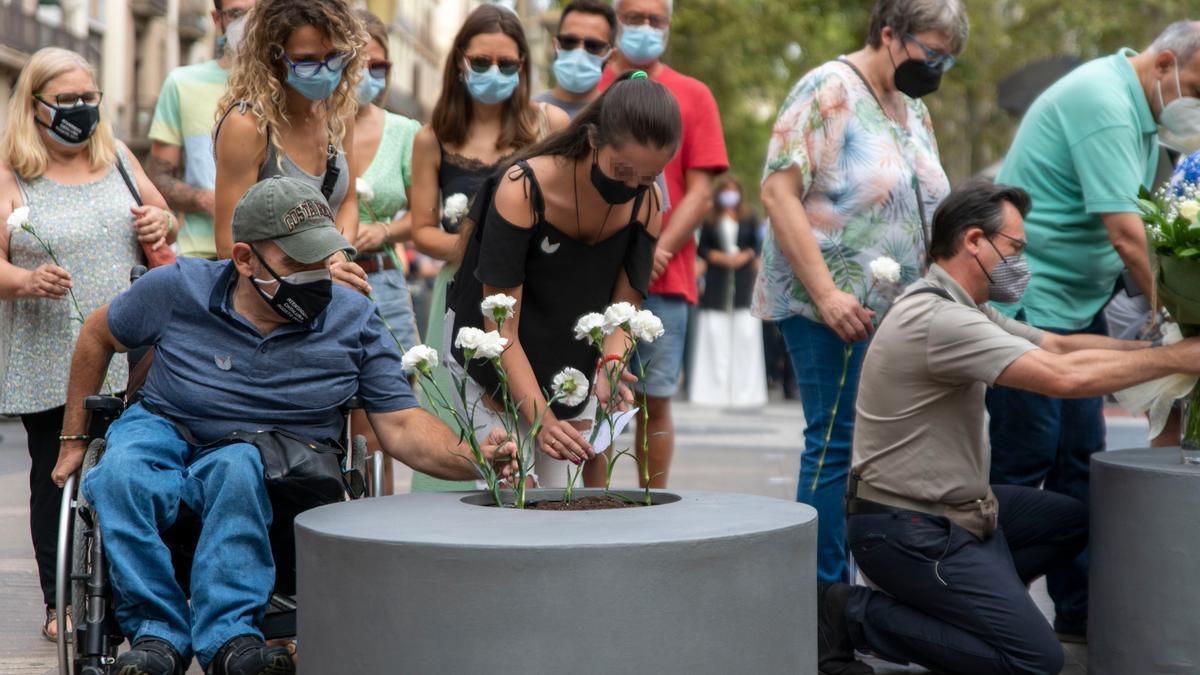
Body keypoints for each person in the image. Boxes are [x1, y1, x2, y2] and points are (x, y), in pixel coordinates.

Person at [48, 177, 514, 675]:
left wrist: (472, 455)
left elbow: (400, 423)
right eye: (297, 264)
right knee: (121, 474)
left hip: (268, 447)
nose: (316, 276)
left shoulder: (353, 316)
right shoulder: (176, 288)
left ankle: (230, 636)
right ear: (245, 259)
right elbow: (98, 333)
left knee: (237, 466)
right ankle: (157, 635)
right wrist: (74, 441)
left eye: (322, 260)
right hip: (165, 422)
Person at [817, 180, 1200, 675]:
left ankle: (960, 605)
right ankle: (854, 613)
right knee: (1033, 660)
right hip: (906, 528)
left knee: (1073, 520)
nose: (1021, 263)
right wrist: (1182, 357)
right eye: (1015, 248)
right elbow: (1062, 378)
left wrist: (1163, 350)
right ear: (974, 240)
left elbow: (1058, 348)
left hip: (958, 511)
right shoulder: (938, 318)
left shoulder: (964, 307)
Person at [985, 20, 1200, 640]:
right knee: (1025, 460)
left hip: (1074, 305)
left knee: (1081, 463)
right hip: (1031, 302)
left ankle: (1077, 611)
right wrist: (1183, 321)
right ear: (1165, 66)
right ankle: (994, 605)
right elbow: (1126, 232)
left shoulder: (1142, 117)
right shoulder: (1104, 102)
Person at [753, 0, 965, 585]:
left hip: (892, 315)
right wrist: (826, 295)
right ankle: (823, 604)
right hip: (829, 307)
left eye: (948, 58)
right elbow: (778, 194)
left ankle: (868, 593)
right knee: (833, 444)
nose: (938, 66)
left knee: (875, 457)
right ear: (889, 32)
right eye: (931, 51)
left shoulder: (913, 108)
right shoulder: (828, 89)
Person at [0, 47, 173, 643]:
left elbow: (158, 215)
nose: (81, 111)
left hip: (131, 348)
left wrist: (159, 222)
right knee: (57, 473)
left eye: (89, 99)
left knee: (134, 467)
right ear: (35, 105)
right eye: (67, 101)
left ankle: (130, 597)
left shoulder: (119, 156)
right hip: (48, 349)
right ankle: (59, 603)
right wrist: (25, 280)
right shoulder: (9, 170)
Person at [447, 71, 676, 487]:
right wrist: (544, 421)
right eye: (621, 170)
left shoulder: (648, 202)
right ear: (593, 140)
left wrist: (609, 364)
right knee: (516, 492)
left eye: (645, 178)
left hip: (568, 360)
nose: (631, 186)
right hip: (495, 353)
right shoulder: (524, 188)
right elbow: (500, 329)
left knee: (563, 502)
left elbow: (623, 311)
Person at [408, 3, 568, 490]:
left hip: (535, 298)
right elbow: (421, 230)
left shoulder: (550, 125)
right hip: (460, 297)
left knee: (541, 422)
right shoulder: (432, 138)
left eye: (505, 64)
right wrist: (474, 244)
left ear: (523, 65)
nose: (492, 73)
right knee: (462, 427)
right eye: (480, 62)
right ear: (460, 61)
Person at [597, 0, 729, 490]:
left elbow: (700, 192)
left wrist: (654, 252)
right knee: (598, 396)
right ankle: (594, 501)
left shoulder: (694, 95)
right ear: (616, 20)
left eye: (656, 19)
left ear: (669, 26)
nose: (645, 28)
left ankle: (651, 504)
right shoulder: (594, 84)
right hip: (594, 276)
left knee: (655, 399)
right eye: (634, 17)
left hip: (665, 280)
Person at [213, 0, 365, 264]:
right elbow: (229, 245)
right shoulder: (248, 126)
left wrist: (340, 255)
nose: (324, 71)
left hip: (332, 282)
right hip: (271, 292)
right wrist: (311, 269)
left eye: (333, 57)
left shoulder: (339, 114)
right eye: (305, 61)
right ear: (273, 57)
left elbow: (348, 202)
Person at [349, 9, 423, 494]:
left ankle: (380, 524)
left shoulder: (405, 131)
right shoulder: (308, 127)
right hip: (319, 286)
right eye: (362, 65)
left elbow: (426, 215)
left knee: (387, 422)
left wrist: (387, 233)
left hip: (384, 284)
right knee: (342, 422)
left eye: (382, 67)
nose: (372, 76)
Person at [146, 0, 256, 260]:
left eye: (258, 13)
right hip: (201, 254)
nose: (248, 23)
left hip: (274, 255)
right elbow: (158, 177)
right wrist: (205, 199)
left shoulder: (290, 83)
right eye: (237, 14)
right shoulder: (182, 83)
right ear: (217, 19)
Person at [689, 176, 766, 408]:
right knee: (715, 335)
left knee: (745, 335)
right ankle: (713, 391)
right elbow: (702, 248)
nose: (730, 196)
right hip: (717, 284)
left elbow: (756, 245)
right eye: (726, 191)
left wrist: (746, 256)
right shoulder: (710, 219)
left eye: (734, 191)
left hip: (743, 284)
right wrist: (719, 257)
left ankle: (745, 393)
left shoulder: (749, 217)